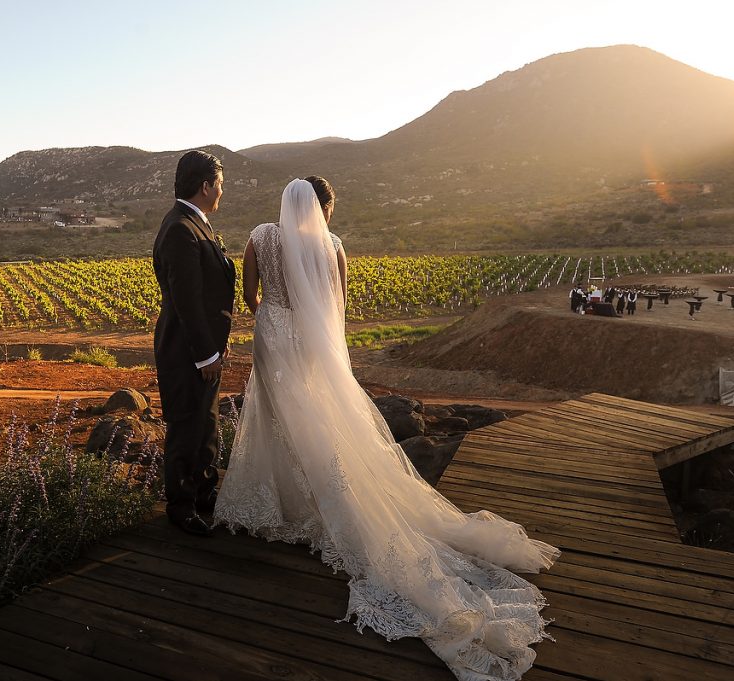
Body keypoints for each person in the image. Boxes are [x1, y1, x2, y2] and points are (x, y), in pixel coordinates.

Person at [214, 178, 558, 681]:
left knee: (275, 417)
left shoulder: (260, 236)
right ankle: (327, 495)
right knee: (320, 422)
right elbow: (337, 309)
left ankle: (282, 498)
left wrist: (274, 320)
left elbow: (250, 294)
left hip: (272, 335)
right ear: (323, 207)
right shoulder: (332, 246)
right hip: (312, 345)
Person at [153, 150, 236, 537]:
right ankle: (181, 507)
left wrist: (217, 348)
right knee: (187, 427)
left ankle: (203, 493)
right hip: (187, 351)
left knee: (205, 424)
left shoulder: (193, 224)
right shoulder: (180, 230)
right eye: (219, 183)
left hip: (204, 350)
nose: (222, 190)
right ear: (205, 186)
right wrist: (206, 355)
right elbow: (187, 302)